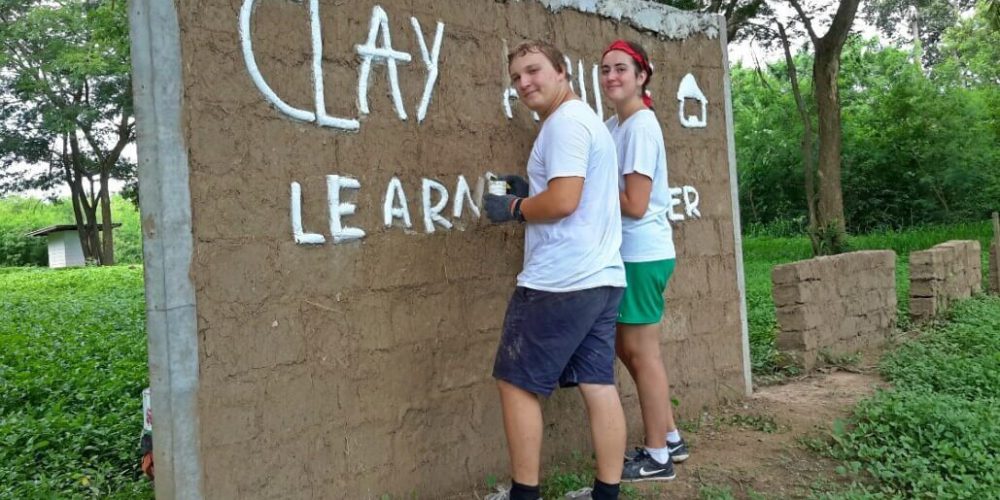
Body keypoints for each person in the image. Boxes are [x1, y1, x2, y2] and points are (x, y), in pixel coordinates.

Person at [482, 40, 628, 500]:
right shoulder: (585, 121)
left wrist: (516, 206)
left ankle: (524, 496)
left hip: (559, 280)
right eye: (516, 77)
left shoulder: (563, 125)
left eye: (533, 70)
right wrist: (535, 189)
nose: (525, 82)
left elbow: (564, 201)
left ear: (562, 71)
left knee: (516, 383)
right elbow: (571, 190)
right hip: (603, 278)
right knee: (597, 383)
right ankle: (606, 495)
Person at [598, 39, 689, 483]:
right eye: (605, 69)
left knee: (641, 354)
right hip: (632, 254)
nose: (612, 77)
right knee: (631, 350)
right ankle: (670, 437)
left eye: (621, 69)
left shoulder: (639, 127)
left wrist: (582, 194)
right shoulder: (616, 126)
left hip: (640, 252)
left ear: (641, 76)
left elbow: (634, 203)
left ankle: (656, 457)